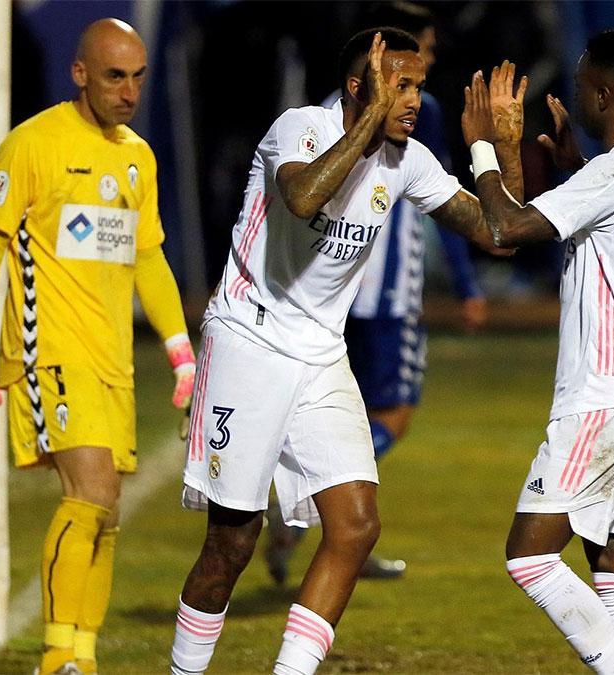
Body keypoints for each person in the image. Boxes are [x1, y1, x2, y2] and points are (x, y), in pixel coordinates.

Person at [170, 28, 514, 675]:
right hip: (250, 339)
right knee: (231, 543)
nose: (415, 101)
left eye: (416, 86)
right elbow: (303, 197)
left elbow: (499, 231)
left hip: (321, 355)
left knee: (355, 525)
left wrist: (500, 151)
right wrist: (367, 130)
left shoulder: (406, 158)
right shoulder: (301, 127)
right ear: (359, 88)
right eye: (400, 86)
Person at [0, 19, 196, 675]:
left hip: (112, 362)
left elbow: (151, 261)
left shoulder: (138, 156)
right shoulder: (32, 145)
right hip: (47, 350)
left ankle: (82, 652)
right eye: (116, 76)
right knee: (89, 491)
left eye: (139, 76)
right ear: (80, 73)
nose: (130, 91)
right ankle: (58, 655)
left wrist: (181, 351)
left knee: (106, 509)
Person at [461, 30, 614, 673]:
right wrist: (577, 164)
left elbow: (507, 225)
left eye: (583, 84)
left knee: (529, 556)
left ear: (605, 93)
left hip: (602, 397)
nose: (576, 92)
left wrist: (481, 147)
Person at [264, 0, 494, 584]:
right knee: (391, 410)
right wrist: (466, 284)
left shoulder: (320, 114)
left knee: (341, 411)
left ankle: (333, 523)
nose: (420, 86)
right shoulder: (409, 119)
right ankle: (306, 502)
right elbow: (451, 211)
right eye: (414, 67)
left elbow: (475, 215)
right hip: (382, 292)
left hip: (322, 299)